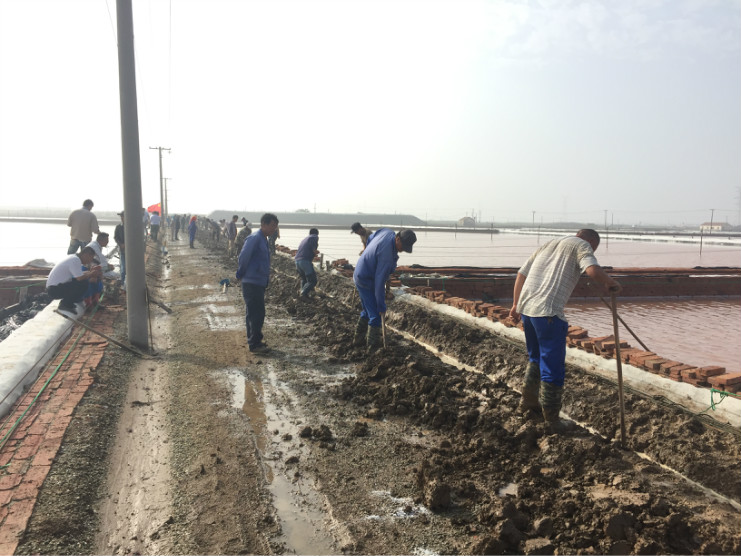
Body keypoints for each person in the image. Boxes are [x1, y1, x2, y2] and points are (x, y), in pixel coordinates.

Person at [509, 229, 621, 433]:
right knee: (553, 367)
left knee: (536, 359)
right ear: (591, 242)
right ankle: (552, 421)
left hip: (527, 310)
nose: (592, 251)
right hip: (548, 313)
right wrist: (610, 282)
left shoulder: (549, 244)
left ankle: (528, 404)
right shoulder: (582, 245)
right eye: (594, 249)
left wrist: (516, 304)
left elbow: (521, 274)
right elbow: (592, 270)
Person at [352, 228, 417, 350]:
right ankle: (372, 348)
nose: (403, 250)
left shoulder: (387, 232)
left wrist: (369, 256)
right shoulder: (386, 257)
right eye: (403, 246)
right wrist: (381, 305)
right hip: (366, 279)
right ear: (398, 239)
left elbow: (370, 239)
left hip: (360, 273)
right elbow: (379, 284)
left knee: (367, 310)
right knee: (376, 315)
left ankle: (358, 340)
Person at [236, 213, 279, 354]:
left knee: (253, 313)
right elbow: (243, 256)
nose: (274, 229)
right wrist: (240, 273)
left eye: (275, 226)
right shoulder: (254, 238)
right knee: (257, 313)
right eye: (272, 225)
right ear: (264, 224)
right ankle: (255, 344)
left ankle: (254, 341)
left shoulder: (263, 239)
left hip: (258, 281)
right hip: (252, 281)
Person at [46, 247, 102, 314]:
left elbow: (78, 274)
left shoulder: (73, 257)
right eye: (91, 258)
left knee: (82, 281)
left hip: (54, 288)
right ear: (86, 255)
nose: (90, 261)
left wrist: (90, 272)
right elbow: (79, 278)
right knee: (83, 283)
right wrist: (91, 274)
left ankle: (68, 303)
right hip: (54, 290)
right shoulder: (75, 260)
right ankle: (65, 304)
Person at [294, 228, 319, 299]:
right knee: (312, 281)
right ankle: (303, 293)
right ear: (317, 233)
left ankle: (303, 293)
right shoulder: (314, 237)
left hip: (297, 261)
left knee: (304, 279)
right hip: (305, 261)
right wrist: (316, 253)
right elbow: (314, 250)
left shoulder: (305, 239)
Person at [114, 212, 126, 288]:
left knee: (130, 267)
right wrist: (121, 244)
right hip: (122, 250)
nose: (122, 218)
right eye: (121, 216)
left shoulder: (132, 227)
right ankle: (123, 284)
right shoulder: (118, 227)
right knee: (123, 268)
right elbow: (116, 237)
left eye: (123, 216)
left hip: (131, 251)